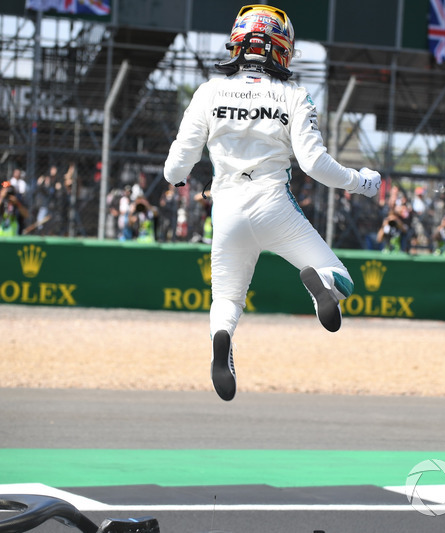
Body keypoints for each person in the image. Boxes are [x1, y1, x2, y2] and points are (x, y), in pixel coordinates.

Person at [163, 4, 381, 401]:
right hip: (273, 205)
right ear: (281, 49)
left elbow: (176, 166)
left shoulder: (209, 92)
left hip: (226, 208)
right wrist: (363, 183)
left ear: (237, 43)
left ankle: (223, 341)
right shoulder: (294, 95)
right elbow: (315, 164)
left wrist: (179, 179)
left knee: (227, 299)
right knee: (340, 274)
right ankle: (325, 286)